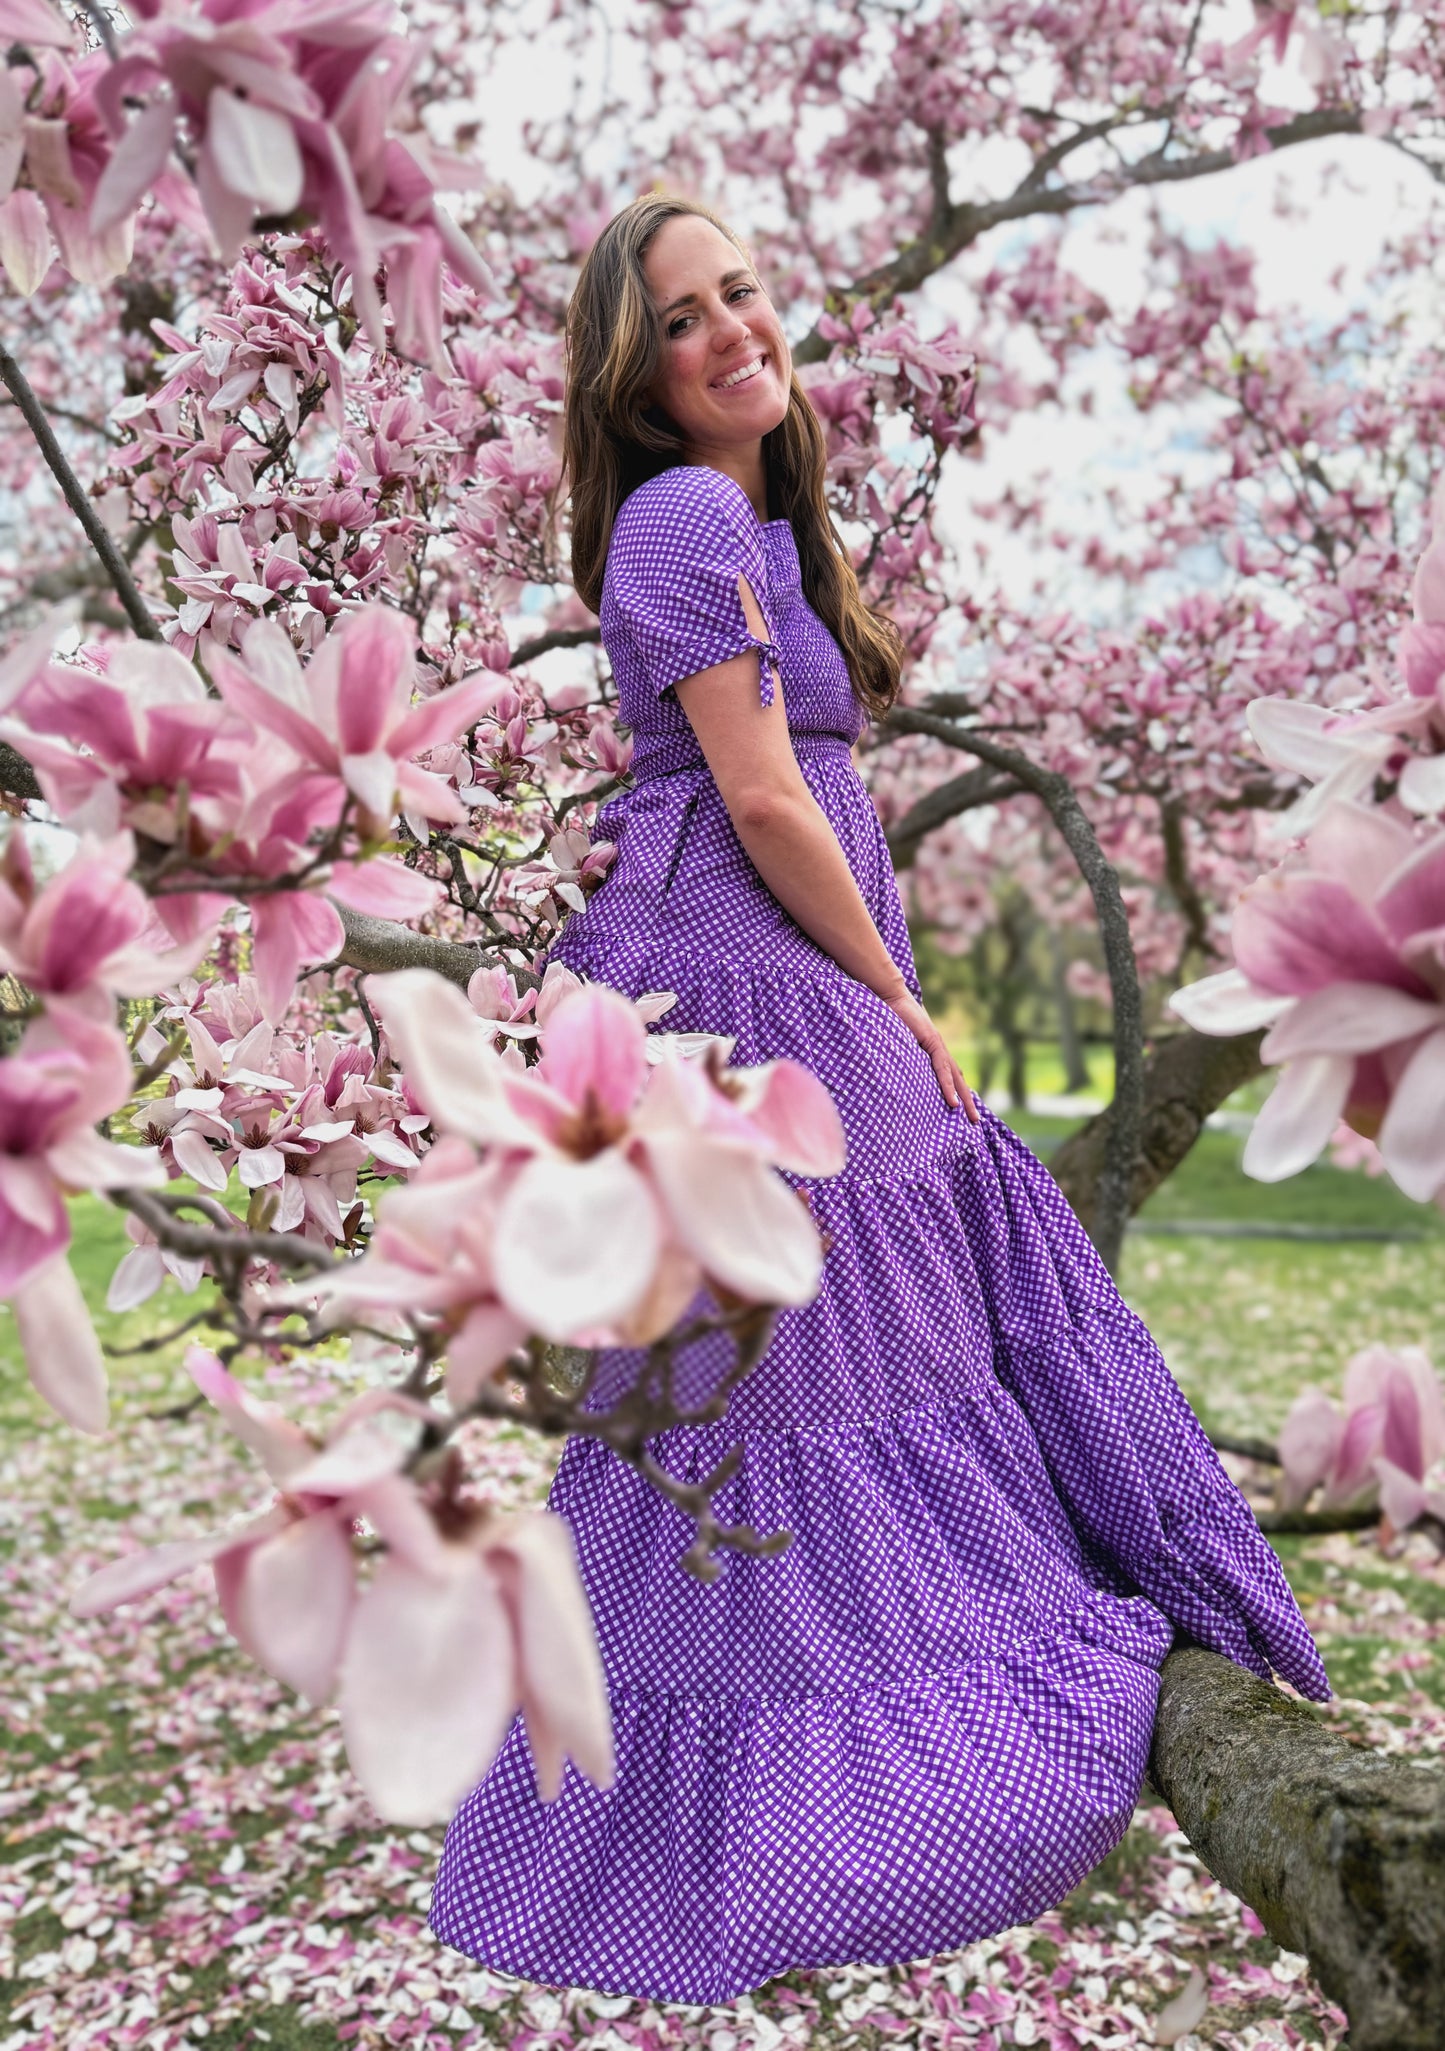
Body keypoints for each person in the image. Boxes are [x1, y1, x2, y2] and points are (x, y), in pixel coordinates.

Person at [428, 193, 1329, 2006]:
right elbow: (764, 800)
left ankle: (771, 1808)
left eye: (742, 293)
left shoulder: (748, 517)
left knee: (833, 1355)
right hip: (754, 971)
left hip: (757, 957)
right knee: (827, 1360)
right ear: (636, 375)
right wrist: (895, 995)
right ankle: (824, 1810)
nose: (730, 330)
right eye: (680, 319)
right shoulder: (686, 516)